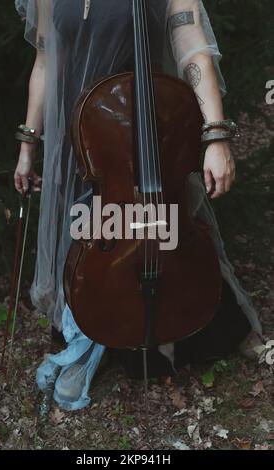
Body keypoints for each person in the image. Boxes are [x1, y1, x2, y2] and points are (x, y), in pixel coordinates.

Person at [14, 0, 263, 411]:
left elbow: (190, 41)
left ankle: (176, 324)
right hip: (77, 138)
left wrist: (215, 135)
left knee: (160, 225)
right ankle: (95, 325)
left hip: (138, 133)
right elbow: (45, 60)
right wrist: (28, 143)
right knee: (88, 236)